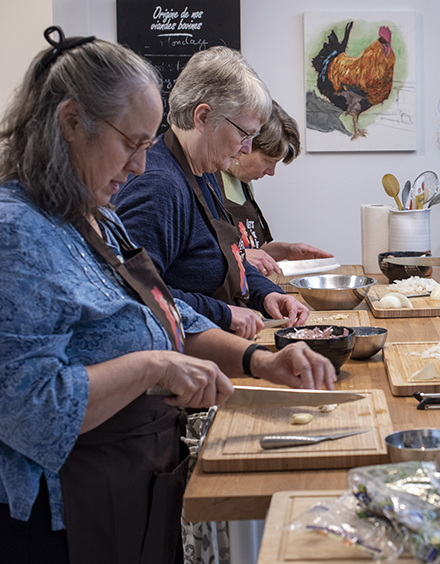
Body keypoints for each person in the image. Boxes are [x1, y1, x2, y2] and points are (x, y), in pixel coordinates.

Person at [0, 28, 336, 564]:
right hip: (63, 518)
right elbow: (31, 409)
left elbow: (163, 310)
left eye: (147, 145)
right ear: (71, 123)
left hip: (133, 482)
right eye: (131, 144)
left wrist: (261, 361)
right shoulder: (16, 233)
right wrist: (151, 366)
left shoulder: (94, 215)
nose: (140, 165)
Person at [114, 47, 307, 340]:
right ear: (203, 117)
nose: (247, 148)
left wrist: (267, 294)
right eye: (244, 135)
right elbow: (135, 291)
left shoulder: (204, 170)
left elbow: (230, 259)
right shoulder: (159, 186)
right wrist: (223, 313)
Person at [218, 100, 333, 277]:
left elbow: (253, 252)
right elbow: (201, 257)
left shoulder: (244, 183)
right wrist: (240, 256)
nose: (271, 172)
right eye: (268, 161)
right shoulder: (207, 179)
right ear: (246, 145)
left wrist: (286, 251)